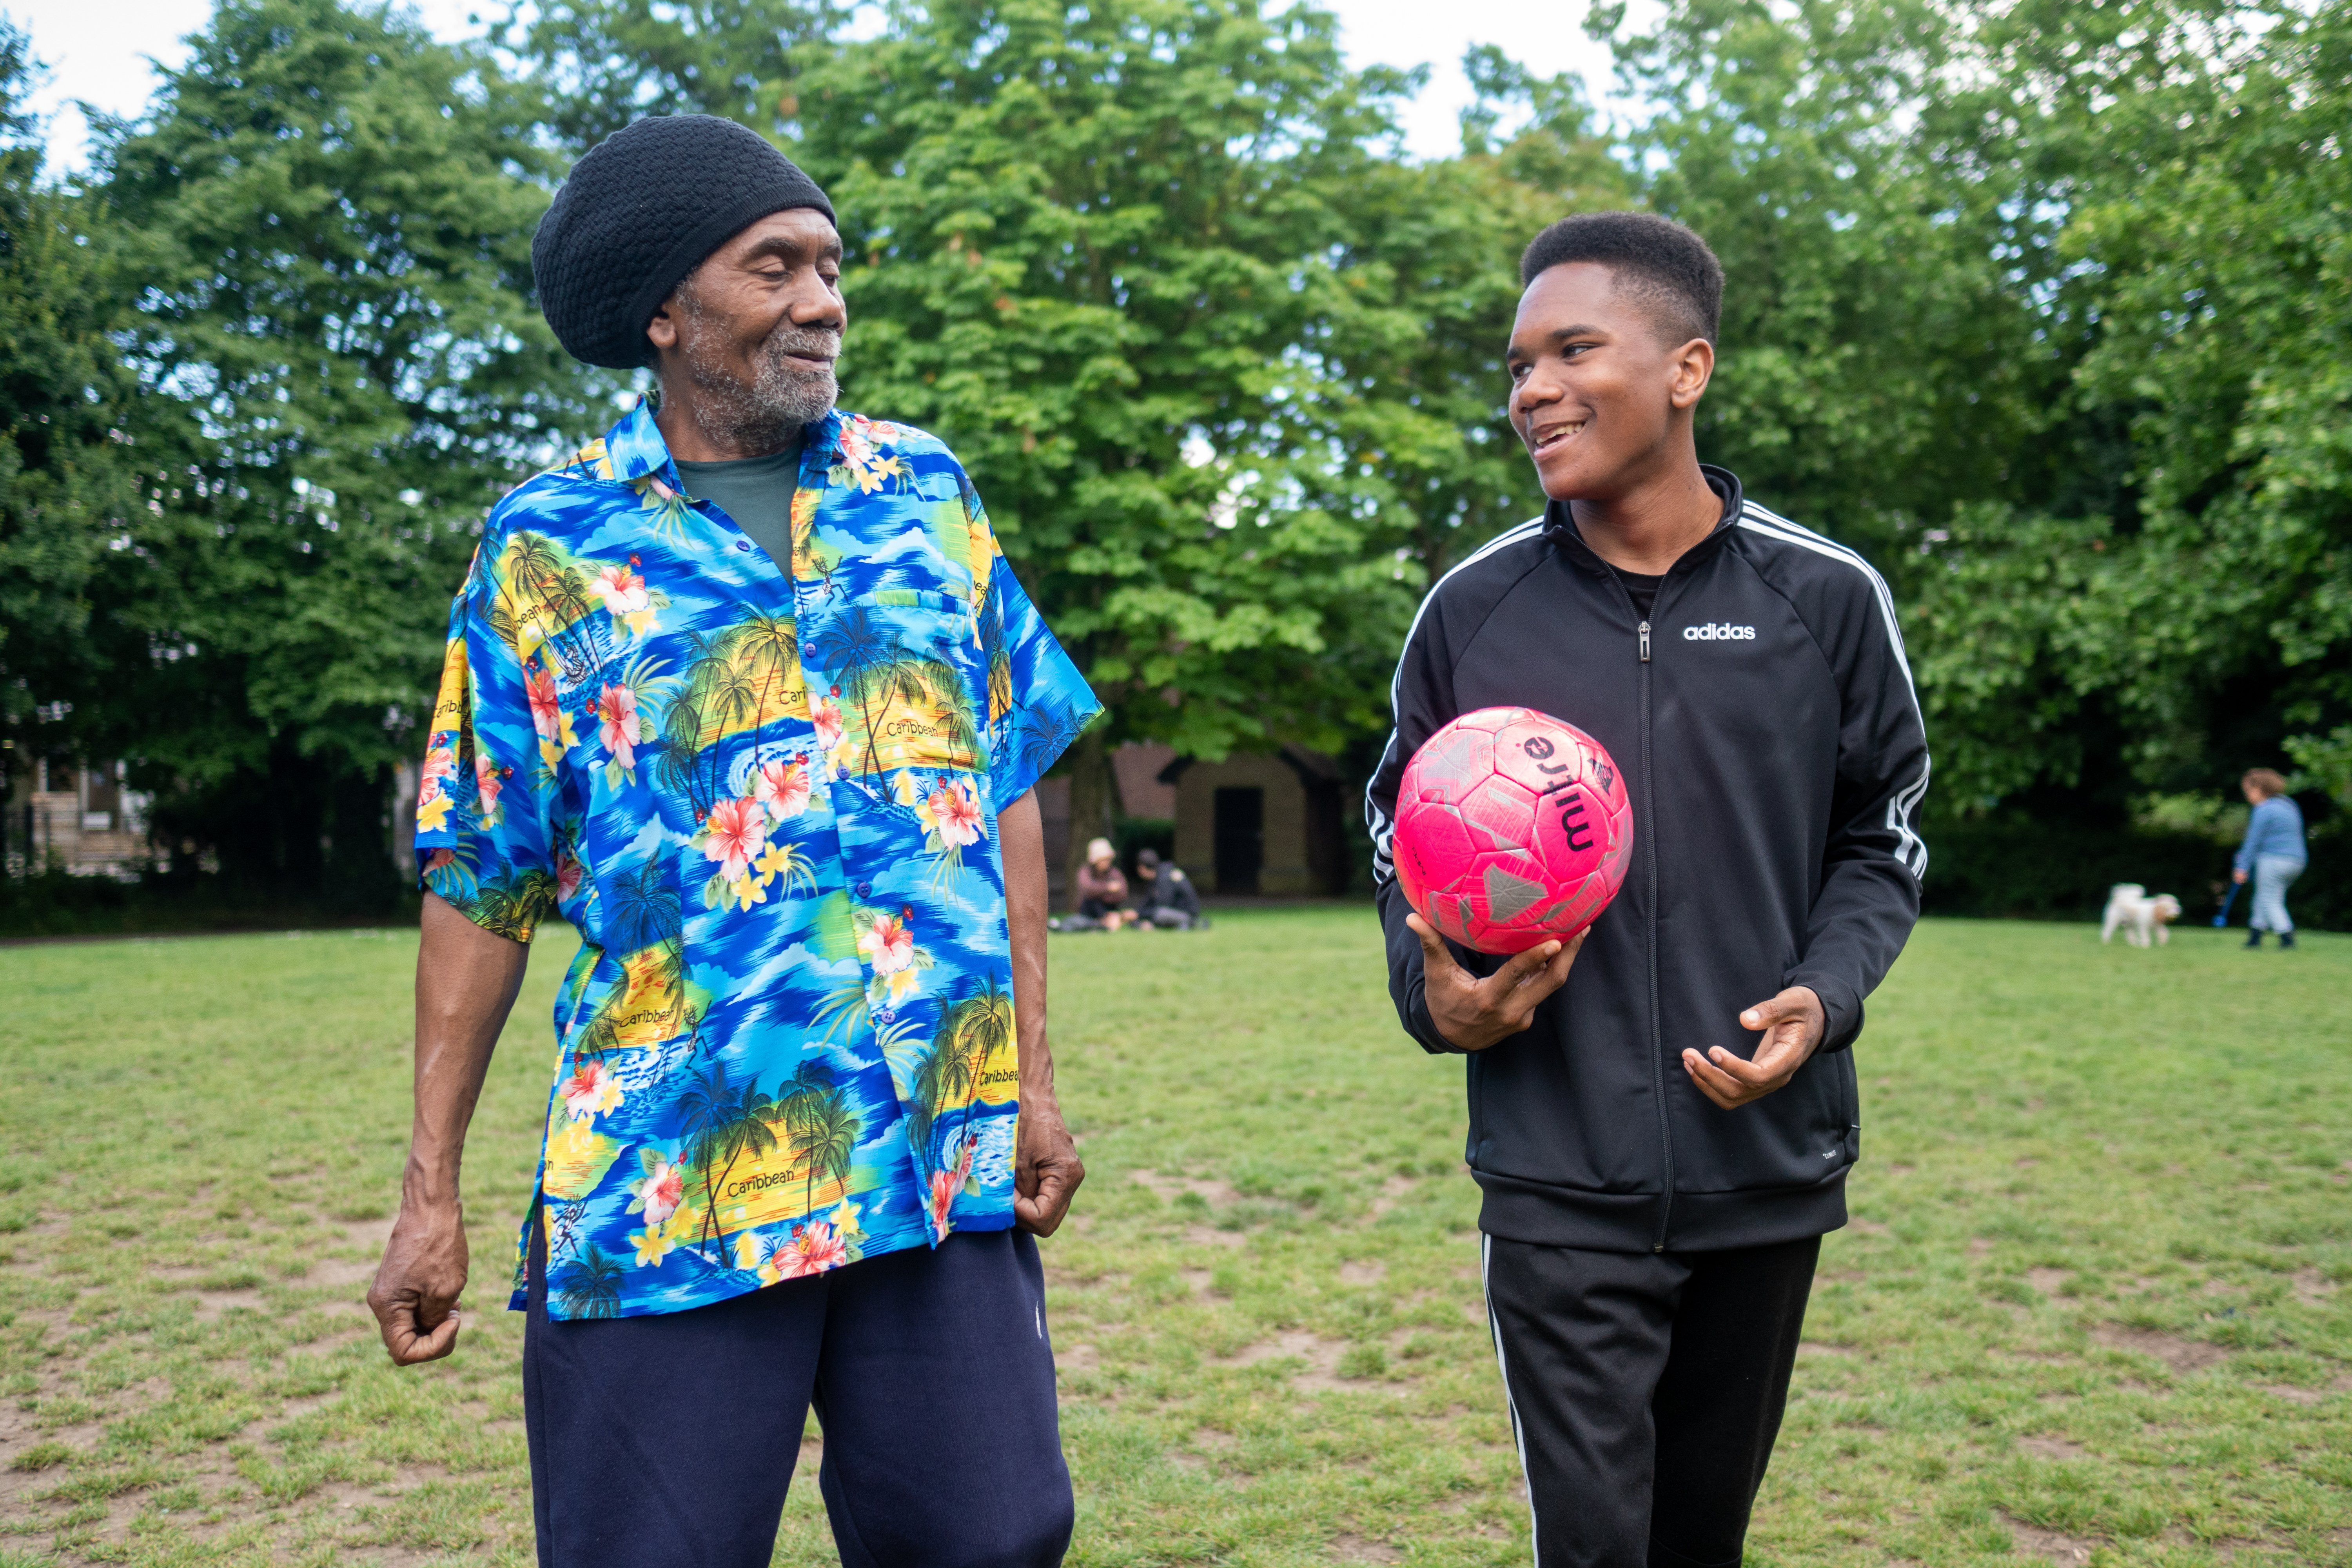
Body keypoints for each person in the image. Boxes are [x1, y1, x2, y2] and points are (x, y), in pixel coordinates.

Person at [365, 115, 1100, 1568]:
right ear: (664, 311)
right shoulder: (544, 547)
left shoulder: (925, 493)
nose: (823, 300)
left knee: (998, 1535)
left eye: (830, 265)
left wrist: (1032, 1081)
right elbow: (479, 881)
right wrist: (429, 1191)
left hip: (935, 1154)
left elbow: (1006, 775)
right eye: (775, 267)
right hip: (677, 1176)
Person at [1365, 212, 1929, 1568]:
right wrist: (1437, 999)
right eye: (1518, 366)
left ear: (1688, 369)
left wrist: (1824, 997)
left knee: (1698, 1543)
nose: (1532, 391)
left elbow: (1883, 836)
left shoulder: (1824, 598)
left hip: (1764, 1164)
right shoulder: (1473, 611)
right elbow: (1394, 840)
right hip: (1557, 1174)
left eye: (1572, 351)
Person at [2234, 768, 2307, 949]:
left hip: (2274, 860)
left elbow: (2253, 841)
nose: (2247, 796)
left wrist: (2242, 867)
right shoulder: (2289, 805)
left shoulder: (2264, 809)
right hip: (2297, 861)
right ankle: (2255, 936)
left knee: (2270, 900)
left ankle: (2287, 937)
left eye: (2248, 791)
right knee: (2266, 896)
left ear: (2259, 789)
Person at [1131, 847, 1203, 929]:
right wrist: (1137, 913)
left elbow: (1163, 905)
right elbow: (1150, 901)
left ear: (1142, 868)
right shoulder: (1159, 876)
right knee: (1157, 913)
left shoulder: (1165, 878)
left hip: (1188, 915)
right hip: (1177, 912)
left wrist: (1139, 915)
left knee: (1160, 913)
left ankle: (1187, 924)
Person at [1072, 837, 1130, 927]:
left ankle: (1109, 921)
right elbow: (1087, 889)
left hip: (1108, 908)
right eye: (1103, 859)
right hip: (1088, 910)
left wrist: (1101, 893)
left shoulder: (1114, 873)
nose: (1107, 862)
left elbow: (1123, 893)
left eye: (1108, 859)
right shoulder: (1086, 871)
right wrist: (1108, 888)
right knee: (1092, 902)